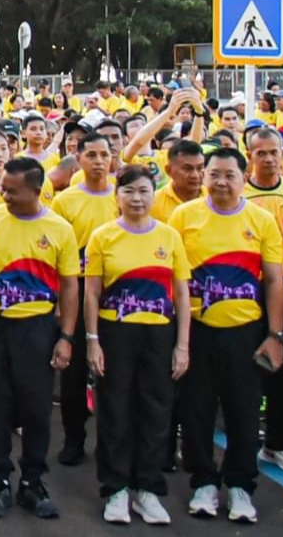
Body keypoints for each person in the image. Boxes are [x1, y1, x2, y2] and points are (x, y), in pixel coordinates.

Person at [168, 146, 283, 523]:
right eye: (213, 173)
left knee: (244, 411)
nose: (220, 181)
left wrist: (275, 335)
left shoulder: (261, 219)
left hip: (246, 331)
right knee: (196, 409)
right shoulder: (184, 216)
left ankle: (240, 485)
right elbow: (174, 278)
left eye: (229, 175)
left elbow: (273, 280)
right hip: (198, 331)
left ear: (243, 175)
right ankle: (203, 481)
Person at [0, 156, 78, 518]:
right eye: (3, 188)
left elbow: (69, 287)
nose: (5, 195)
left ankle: (33, 481)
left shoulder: (60, 228)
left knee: (36, 409)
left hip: (39, 328)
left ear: (36, 190)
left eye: (13, 191)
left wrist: (65, 336)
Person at [84, 165, 191, 526]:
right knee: (115, 411)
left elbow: (181, 294)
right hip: (116, 333)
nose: (137, 198)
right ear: (118, 197)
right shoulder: (103, 237)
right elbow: (92, 293)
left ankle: (147, 489)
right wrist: (93, 340)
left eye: (144, 191)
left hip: (159, 334)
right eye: (129, 191)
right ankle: (115, 489)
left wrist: (182, 345)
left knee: (156, 411)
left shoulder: (169, 236)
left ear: (153, 194)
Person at [241, 127, 283, 474]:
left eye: (274, 152)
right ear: (249, 156)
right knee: (244, 368)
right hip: (246, 286)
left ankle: (278, 444)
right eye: (261, 153)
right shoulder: (238, 192)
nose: (269, 158)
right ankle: (242, 440)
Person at [51, 132, 120, 466]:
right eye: (90, 154)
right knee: (75, 373)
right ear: (78, 158)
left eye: (104, 154)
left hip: (117, 294)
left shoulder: (121, 196)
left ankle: (111, 442)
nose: (98, 161)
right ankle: (74, 440)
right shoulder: (65, 201)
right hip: (76, 292)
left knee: (113, 373)